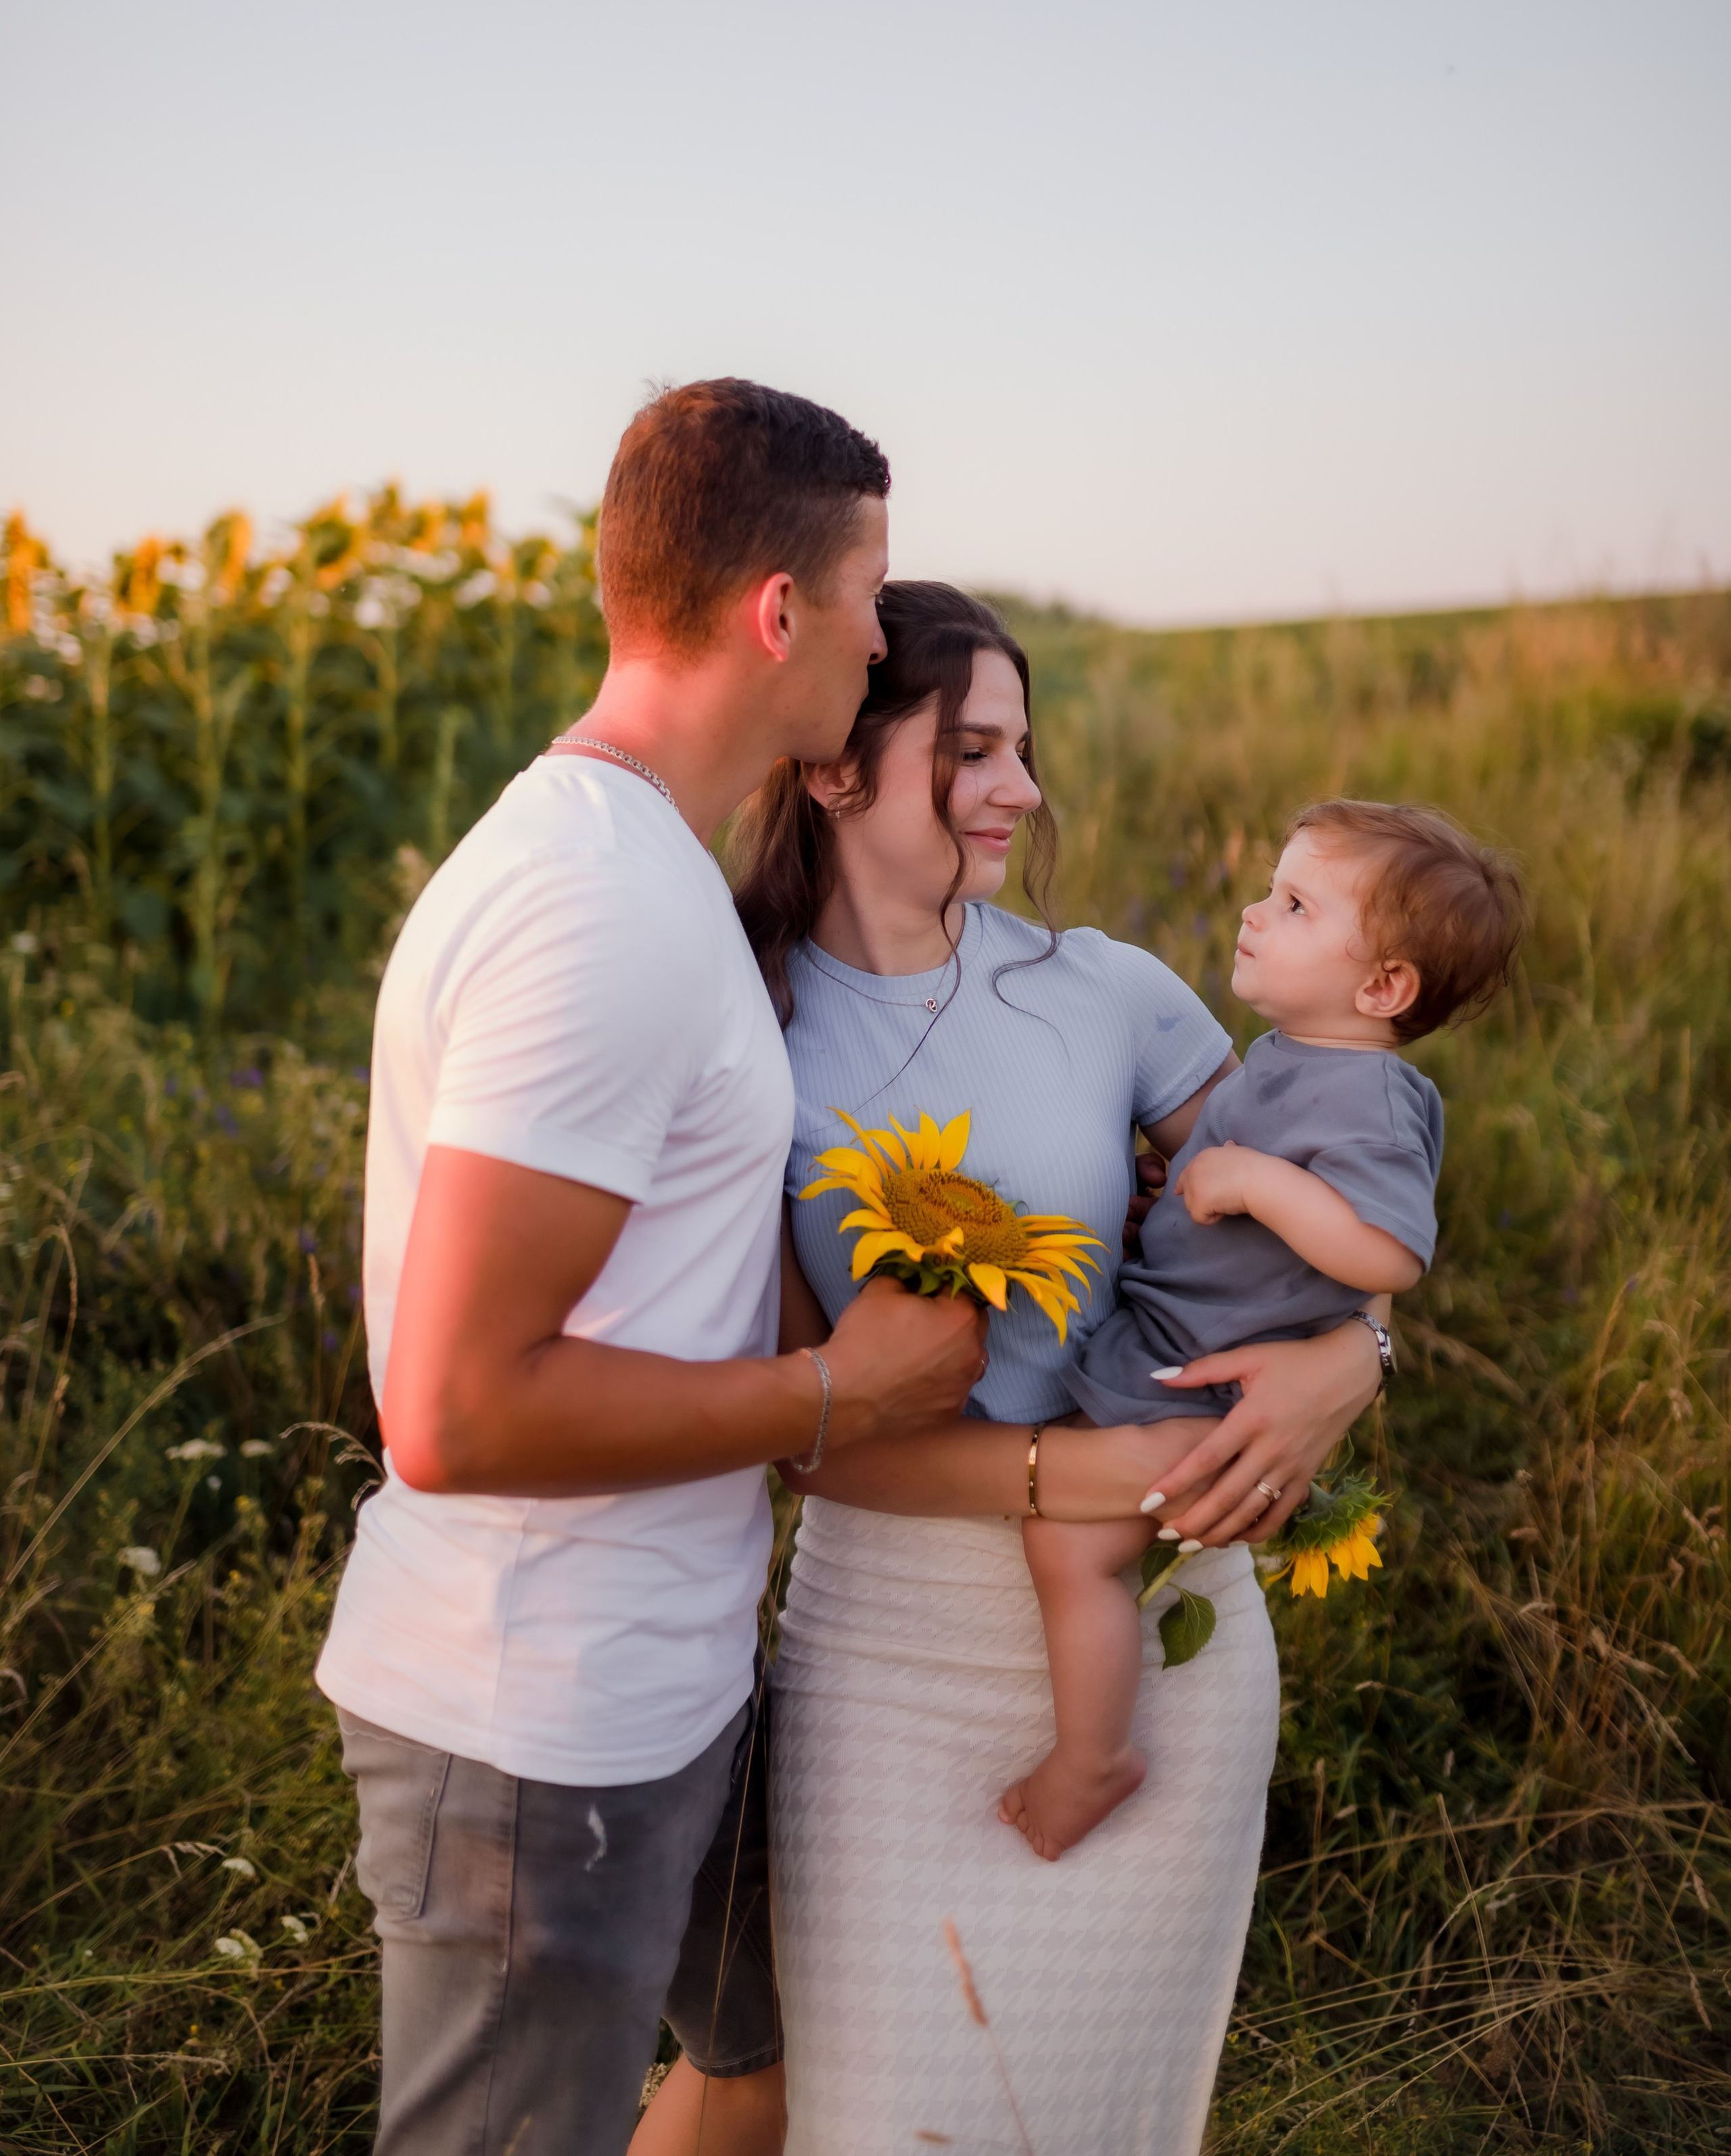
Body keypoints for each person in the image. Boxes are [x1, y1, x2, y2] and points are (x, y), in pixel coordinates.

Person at [314, 383, 987, 2156]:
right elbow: (454, 1407)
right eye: (868, 597)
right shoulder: (594, 908)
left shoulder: (647, 869)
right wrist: (847, 1392)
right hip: (542, 1721)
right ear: (781, 612)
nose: (877, 639)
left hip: (669, 1672)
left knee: (766, 2063)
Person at [724, 583, 1398, 2156]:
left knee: (1104, 2120)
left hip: (1170, 1641)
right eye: (970, 752)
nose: (1020, 790)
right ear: (833, 767)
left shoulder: (1106, 989)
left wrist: (1347, 1365)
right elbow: (801, 1435)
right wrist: (1067, 1473)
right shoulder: (742, 1029)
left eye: (1021, 748)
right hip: (889, 1662)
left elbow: (1328, 1226)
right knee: (883, 2124)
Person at [1004, 799, 1525, 1859]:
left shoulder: (1375, 1094)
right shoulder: (1291, 1058)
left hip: (1206, 1383)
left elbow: (1389, 1253)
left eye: (1293, 904)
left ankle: (1094, 1761)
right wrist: (1189, 1191)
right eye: (1269, 891)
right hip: (1181, 1329)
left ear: (1382, 987)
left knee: (1069, 1548)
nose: (1252, 912)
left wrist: (1254, 1181)